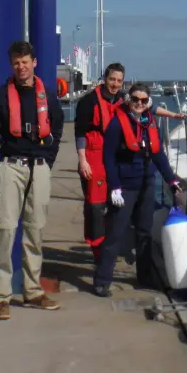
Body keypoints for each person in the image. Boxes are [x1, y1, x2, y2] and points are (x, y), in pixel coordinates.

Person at [0, 40, 65, 319]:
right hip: (9, 167)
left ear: (34, 63)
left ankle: (33, 290)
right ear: (11, 65)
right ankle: (1, 297)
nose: (21, 67)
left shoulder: (47, 97)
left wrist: (47, 163)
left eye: (25, 62)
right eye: (16, 62)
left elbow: (58, 129)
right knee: (4, 231)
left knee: (35, 230)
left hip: (38, 168)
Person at [97, 82, 183, 295]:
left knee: (144, 233)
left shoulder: (150, 122)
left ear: (148, 102)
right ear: (129, 100)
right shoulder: (117, 124)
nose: (139, 103)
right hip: (125, 186)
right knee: (115, 234)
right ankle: (101, 281)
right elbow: (108, 158)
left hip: (147, 183)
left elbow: (158, 155)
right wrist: (114, 187)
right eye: (135, 99)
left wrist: (171, 180)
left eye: (144, 100)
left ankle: (144, 277)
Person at [74, 62, 126, 264]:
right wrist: (82, 161)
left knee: (116, 202)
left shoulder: (122, 100)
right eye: (112, 79)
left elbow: (144, 108)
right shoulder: (88, 102)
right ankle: (97, 251)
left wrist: (173, 115)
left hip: (114, 156)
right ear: (105, 78)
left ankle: (111, 246)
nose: (114, 84)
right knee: (95, 206)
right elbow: (79, 133)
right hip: (93, 156)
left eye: (119, 81)